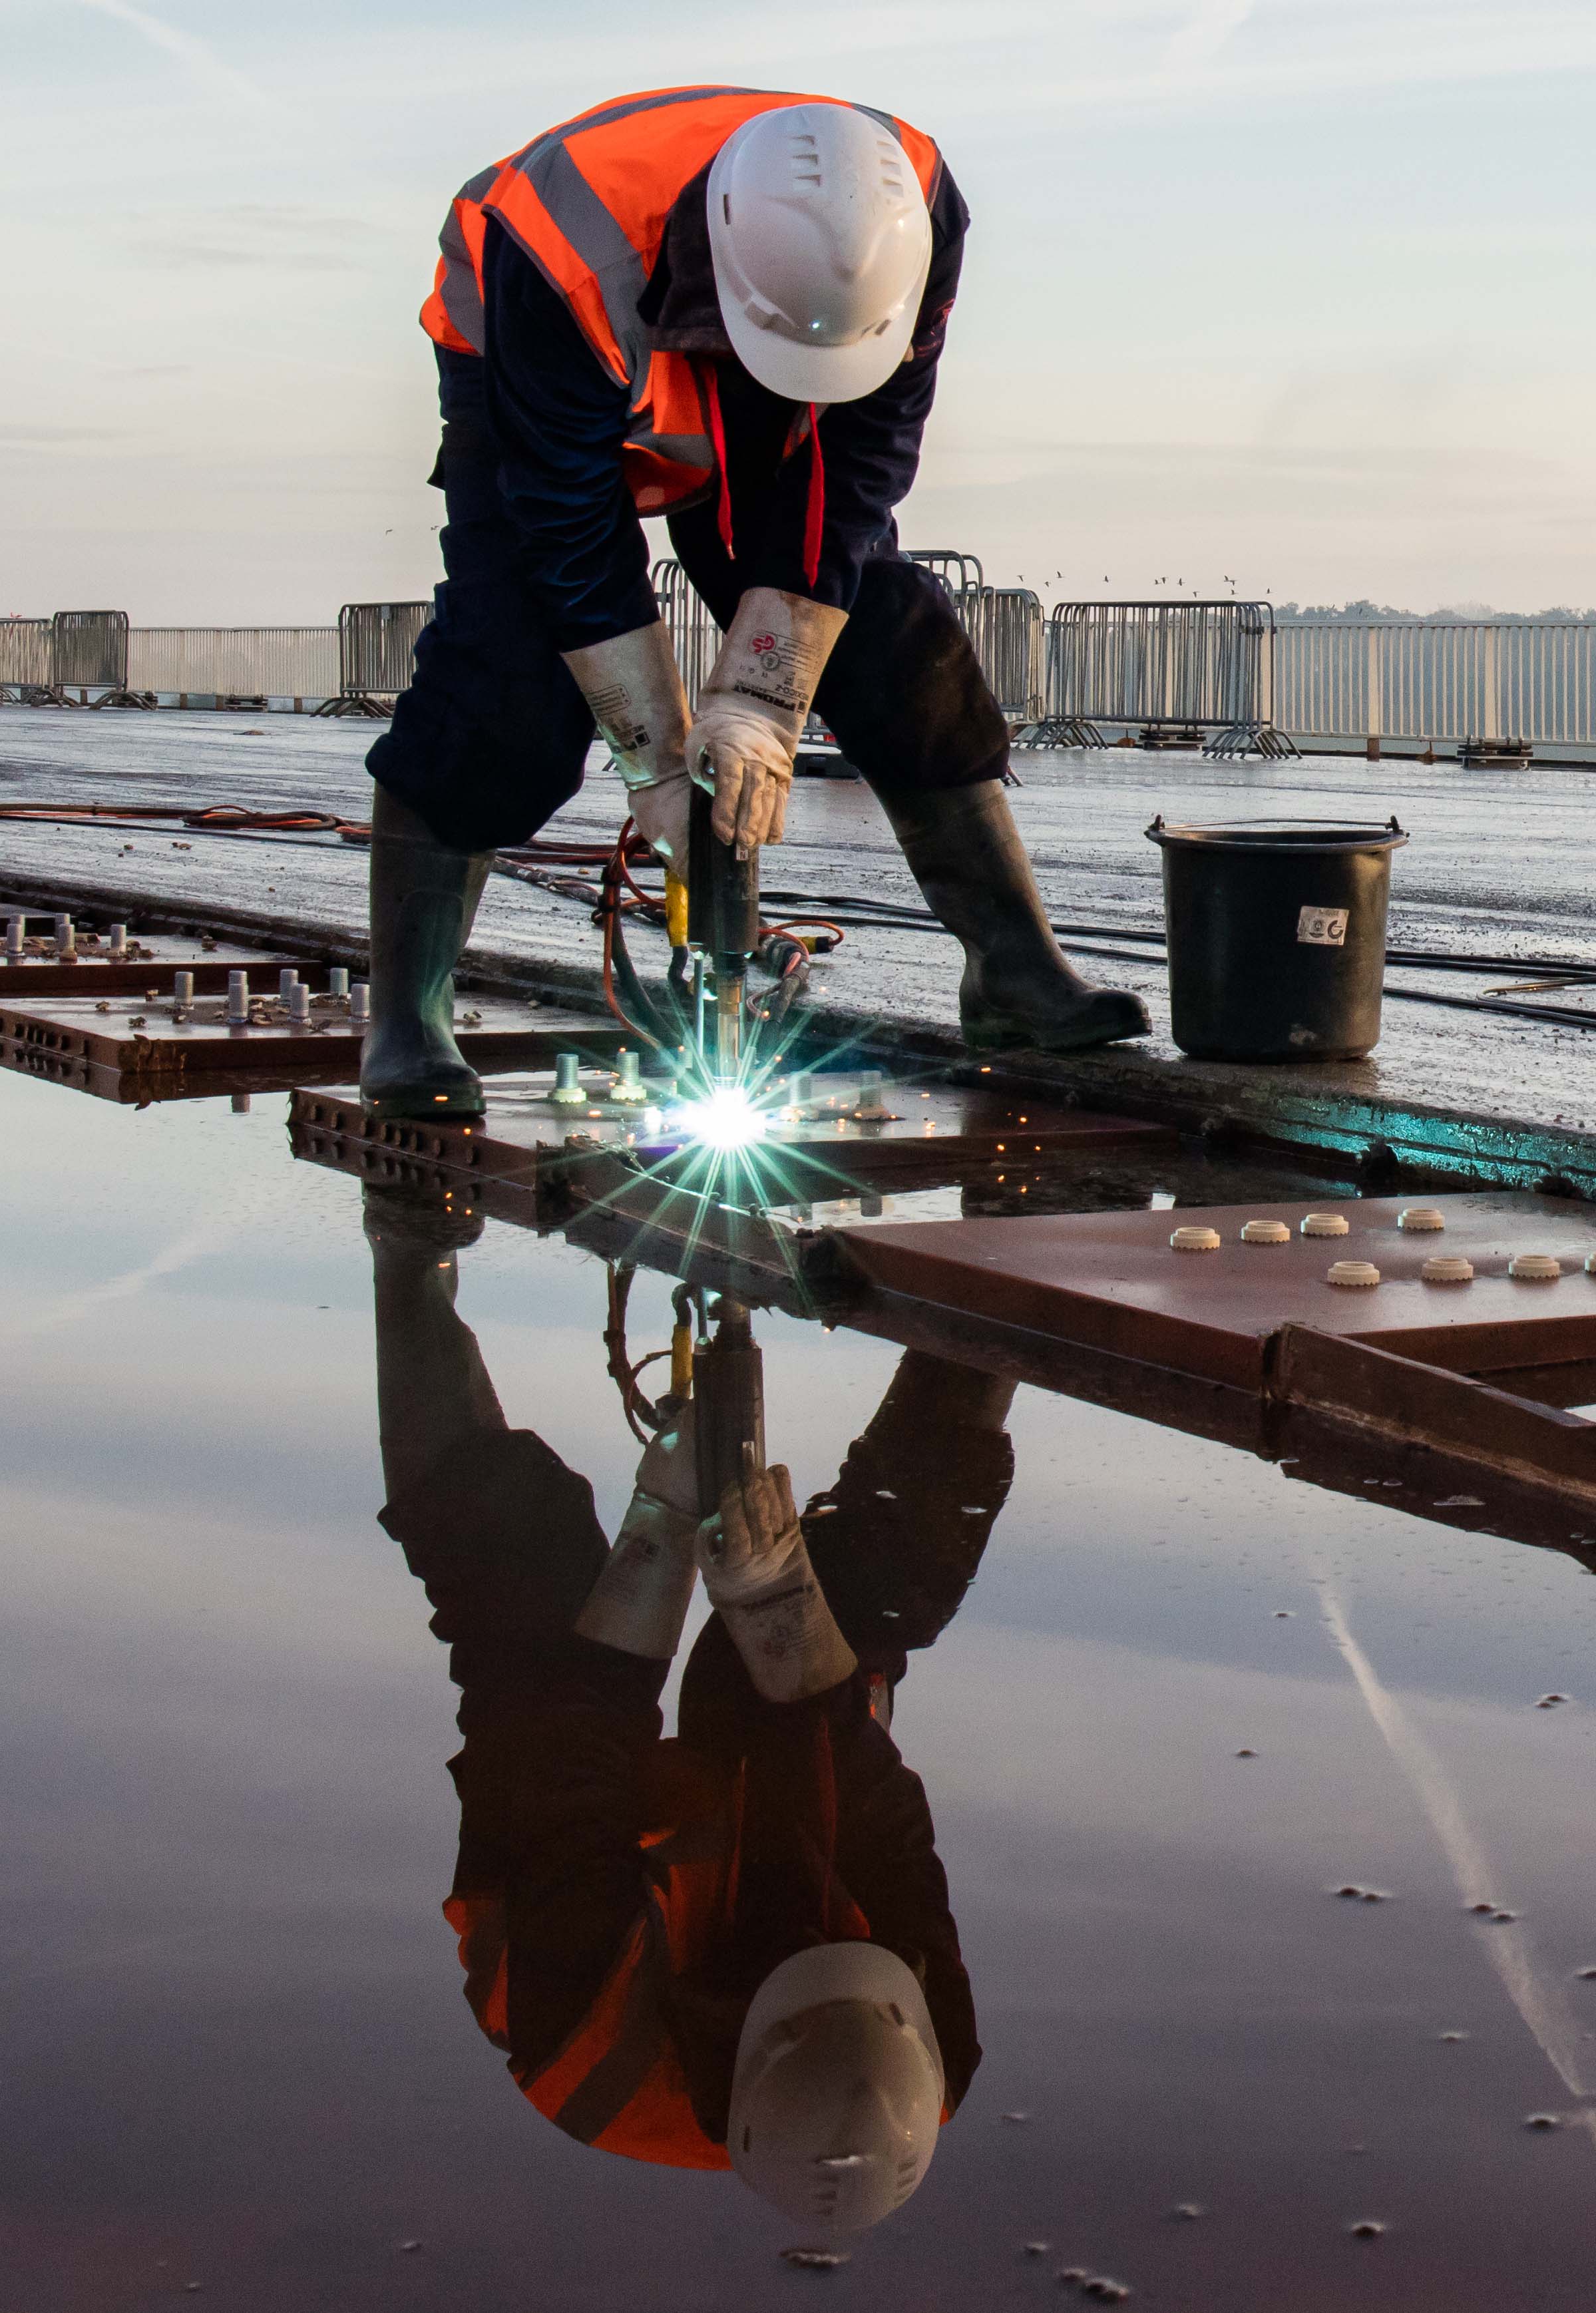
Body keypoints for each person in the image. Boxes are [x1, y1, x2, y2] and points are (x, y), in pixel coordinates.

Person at [365, 89, 1147, 1122]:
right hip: (527, 361)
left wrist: (764, 699)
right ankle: (406, 1022)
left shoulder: (915, 215)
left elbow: (860, 471)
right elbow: (566, 530)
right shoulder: (559, 248)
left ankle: (1016, 973)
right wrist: (658, 761)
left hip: (787, 354)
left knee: (890, 641)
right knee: (507, 680)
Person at [367, 1193, 1016, 2244]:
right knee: (854, 1603)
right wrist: (783, 1615)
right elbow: (877, 1805)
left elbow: (567, 1744)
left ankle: (404, 1255)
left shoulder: (583, 2040)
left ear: (737, 2036)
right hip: (758, 1842)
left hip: (563, 1851)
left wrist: (660, 1531)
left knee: (523, 1587)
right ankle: (1004, 1255)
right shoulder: (923, 2049)